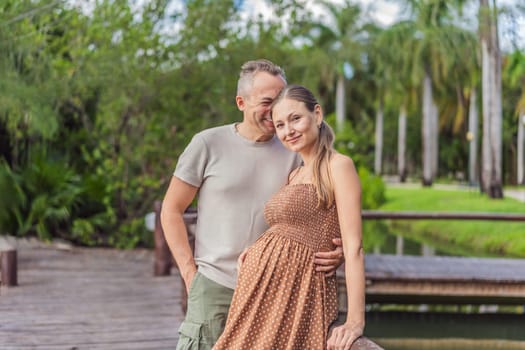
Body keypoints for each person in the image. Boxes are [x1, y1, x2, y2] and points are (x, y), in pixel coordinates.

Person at [160, 60, 344, 350]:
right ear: (241, 102)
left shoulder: (294, 151)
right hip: (216, 286)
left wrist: (338, 250)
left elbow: (320, 211)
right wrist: (190, 275)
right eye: (268, 102)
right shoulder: (208, 144)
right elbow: (171, 210)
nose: (276, 111)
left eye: (282, 101)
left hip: (273, 291)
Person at [213, 84, 365, 350]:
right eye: (280, 124)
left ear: (316, 115)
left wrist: (354, 321)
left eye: (295, 119)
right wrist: (257, 250)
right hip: (257, 295)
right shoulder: (294, 173)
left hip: (298, 294)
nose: (288, 131)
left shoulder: (339, 166)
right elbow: (289, 227)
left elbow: (354, 249)